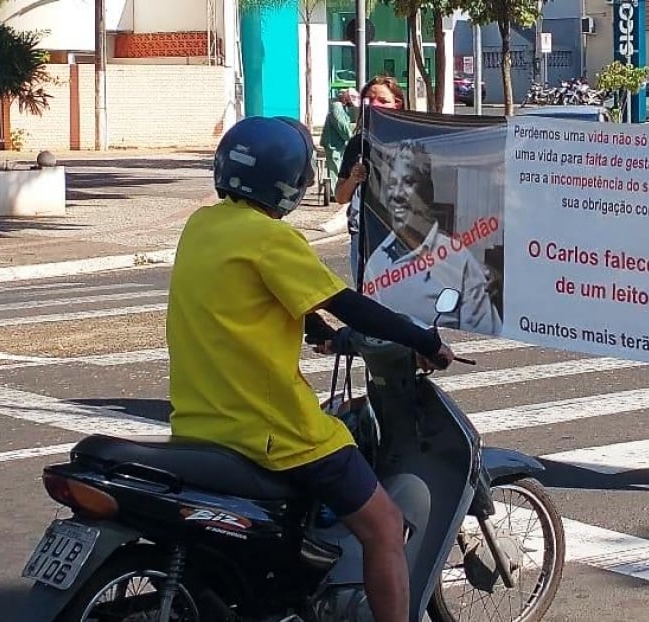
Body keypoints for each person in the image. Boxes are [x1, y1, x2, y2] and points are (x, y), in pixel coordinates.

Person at [166, 115, 454, 622]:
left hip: (198, 423)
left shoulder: (203, 226)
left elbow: (242, 304)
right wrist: (423, 338)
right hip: (272, 430)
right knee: (384, 525)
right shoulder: (271, 240)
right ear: (290, 183)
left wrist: (315, 330)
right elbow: (354, 306)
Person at [363, 140, 502, 334]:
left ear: (428, 191)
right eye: (392, 183)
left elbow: (487, 331)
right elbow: (368, 327)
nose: (397, 194)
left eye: (408, 182)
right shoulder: (376, 263)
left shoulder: (459, 261)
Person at [335, 76, 405, 282]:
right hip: (363, 237)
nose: (375, 105)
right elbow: (340, 196)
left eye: (383, 100)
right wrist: (353, 179)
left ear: (398, 104)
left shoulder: (413, 141)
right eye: (369, 100)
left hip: (402, 238)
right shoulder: (358, 143)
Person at [319, 87, 358, 201]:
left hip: (339, 144)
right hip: (333, 144)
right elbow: (342, 127)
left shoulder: (342, 108)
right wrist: (352, 140)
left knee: (338, 166)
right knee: (335, 168)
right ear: (345, 98)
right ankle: (334, 193)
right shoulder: (336, 107)